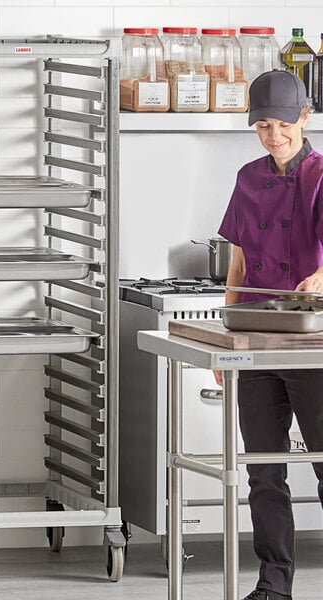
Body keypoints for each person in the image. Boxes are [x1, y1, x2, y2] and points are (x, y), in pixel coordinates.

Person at [217, 69, 323, 600]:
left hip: (312, 340)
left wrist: (320, 277)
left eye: (282, 123)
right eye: (262, 125)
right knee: (262, 469)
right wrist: (225, 331)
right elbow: (237, 261)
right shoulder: (247, 177)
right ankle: (273, 584)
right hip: (256, 337)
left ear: (305, 117)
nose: (273, 134)